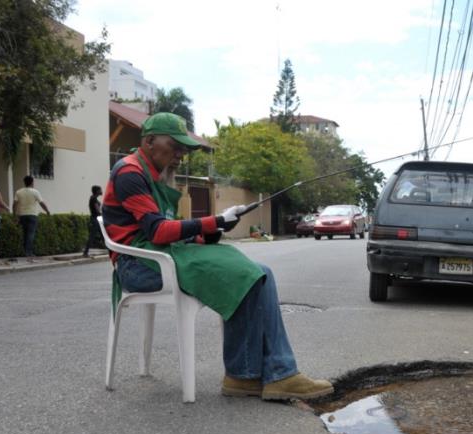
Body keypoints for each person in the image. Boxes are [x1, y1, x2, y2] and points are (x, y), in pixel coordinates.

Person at [101, 112, 333, 400]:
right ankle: (279, 374)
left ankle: (243, 376)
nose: (180, 156)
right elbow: (158, 231)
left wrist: (216, 228)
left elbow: (173, 232)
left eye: (184, 150)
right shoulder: (130, 173)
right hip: (137, 265)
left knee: (257, 274)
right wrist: (214, 222)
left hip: (160, 255)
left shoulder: (155, 176)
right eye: (175, 147)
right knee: (247, 273)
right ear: (149, 141)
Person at [13, 175, 50, 257]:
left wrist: (14, 215)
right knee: (30, 234)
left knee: (25, 233)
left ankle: (25, 251)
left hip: (22, 215)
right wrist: (47, 211)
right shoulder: (35, 192)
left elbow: (14, 204)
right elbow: (41, 203)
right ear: (32, 182)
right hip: (32, 215)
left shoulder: (18, 192)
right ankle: (28, 252)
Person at [82, 185, 103, 257]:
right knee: (92, 236)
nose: (101, 191)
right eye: (100, 190)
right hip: (95, 219)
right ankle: (85, 252)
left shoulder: (93, 198)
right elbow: (97, 209)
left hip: (96, 219)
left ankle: (111, 250)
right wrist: (102, 214)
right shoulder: (93, 199)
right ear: (97, 191)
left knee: (103, 235)